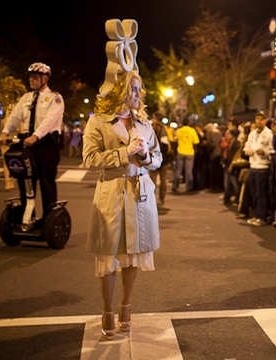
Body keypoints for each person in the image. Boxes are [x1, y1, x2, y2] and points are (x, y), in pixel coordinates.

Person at [83, 70, 162, 341]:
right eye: (134, 90)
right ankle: (106, 310)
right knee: (109, 256)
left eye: (140, 90)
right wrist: (122, 152)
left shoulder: (144, 123)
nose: (138, 95)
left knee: (133, 254)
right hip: (112, 191)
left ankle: (125, 306)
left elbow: (158, 159)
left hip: (140, 191)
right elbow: (90, 159)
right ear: (120, 92)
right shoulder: (98, 122)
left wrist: (143, 154)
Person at [0, 62, 64, 218]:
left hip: (46, 145)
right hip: (27, 143)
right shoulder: (26, 98)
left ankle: (49, 218)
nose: (31, 80)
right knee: (25, 181)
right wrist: (5, 132)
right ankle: (27, 217)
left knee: (46, 182)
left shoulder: (55, 98)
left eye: (35, 77)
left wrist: (36, 136)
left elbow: (49, 120)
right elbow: (15, 116)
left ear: (45, 78)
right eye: (30, 77)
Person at [244, 111, 274, 226]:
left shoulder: (269, 134)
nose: (259, 121)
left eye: (261, 119)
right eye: (257, 119)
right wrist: (248, 151)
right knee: (254, 193)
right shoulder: (252, 133)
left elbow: (272, 151)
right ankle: (256, 215)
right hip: (253, 165)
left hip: (262, 167)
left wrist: (264, 153)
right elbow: (247, 146)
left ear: (265, 121)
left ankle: (262, 217)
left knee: (261, 193)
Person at [149, 111, 171, 206]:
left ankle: (152, 198)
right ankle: (161, 198)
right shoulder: (163, 129)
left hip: (152, 156)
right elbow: (165, 144)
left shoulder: (150, 128)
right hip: (162, 157)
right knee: (163, 178)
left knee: (152, 179)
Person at [172, 117, 199, 192]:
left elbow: (175, 140)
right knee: (188, 171)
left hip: (180, 151)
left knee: (178, 170)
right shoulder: (192, 131)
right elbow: (196, 142)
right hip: (190, 152)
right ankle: (189, 187)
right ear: (189, 123)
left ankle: (175, 186)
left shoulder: (179, 131)